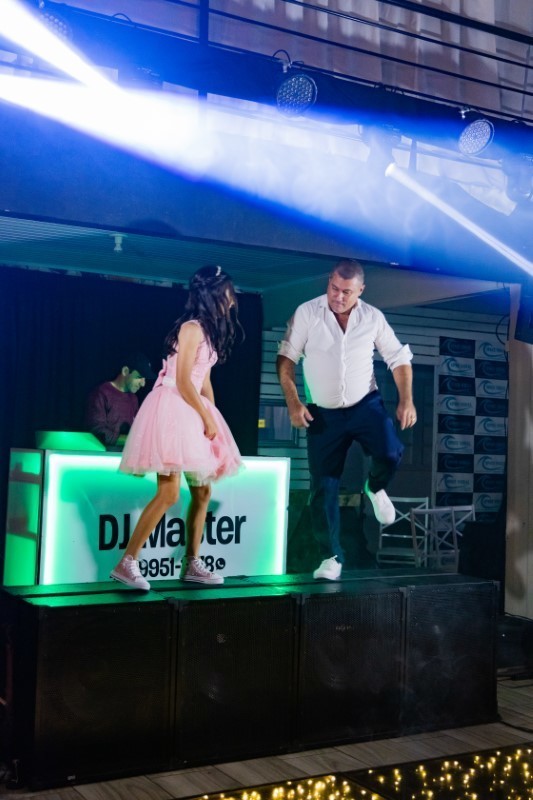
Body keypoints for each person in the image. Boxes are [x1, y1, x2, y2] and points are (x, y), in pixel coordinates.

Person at [277, 258, 417, 581]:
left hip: (364, 404)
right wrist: (294, 403)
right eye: (334, 288)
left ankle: (375, 487)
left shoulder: (373, 318)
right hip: (323, 412)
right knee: (323, 485)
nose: (338, 297)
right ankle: (331, 556)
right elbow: (285, 359)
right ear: (329, 281)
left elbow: (398, 358)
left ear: (361, 291)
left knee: (389, 452)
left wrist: (406, 400)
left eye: (347, 292)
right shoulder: (307, 313)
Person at [110, 265, 242, 591]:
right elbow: (183, 380)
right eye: (227, 293)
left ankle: (191, 563)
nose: (232, 299)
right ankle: (127, 562)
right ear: (214, 294)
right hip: (173, 407)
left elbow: (204, 382)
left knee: (203, 491)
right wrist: (205, 417)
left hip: (193, 409)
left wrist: (212, 417)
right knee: (169, 492)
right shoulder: (191, 328)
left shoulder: (209, 332)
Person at [86, 352, 156, 448]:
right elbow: (97, 431)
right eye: (139, 377)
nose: (143, 384)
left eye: (144, 379)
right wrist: (131, 440)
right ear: (125, 371)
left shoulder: (133, 398)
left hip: (127, 454)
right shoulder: (101, 394)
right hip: (104, 454)